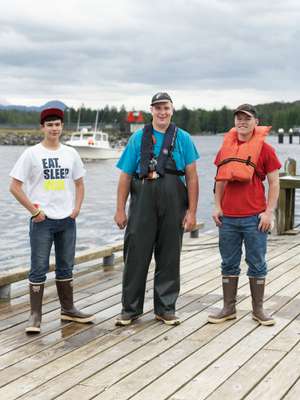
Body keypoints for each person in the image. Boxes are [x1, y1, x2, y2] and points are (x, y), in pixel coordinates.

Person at [114, 92, 199, 326]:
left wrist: (192, 212)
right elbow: (125, 176)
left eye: (166, 108)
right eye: (157, 108)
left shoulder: (183, 138)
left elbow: (191, 177)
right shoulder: (137, 139)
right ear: (151, 111)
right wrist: (120, 209)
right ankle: (130, 309)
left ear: (172, 110)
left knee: (170, 256)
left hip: (174, 203)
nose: (162, 112)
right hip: (142, 203)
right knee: (135, 256)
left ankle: (166, 308)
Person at [9, 107, 94, 334]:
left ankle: (68, 309)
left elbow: (79, 183)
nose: (54, 128)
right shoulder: (31, 154)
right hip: (42, 221)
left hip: (67, 220)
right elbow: (14, 187)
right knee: (38, 268)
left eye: (57, 124)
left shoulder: (71, 153)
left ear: (62, 127)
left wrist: (76, 208)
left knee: (66, 266)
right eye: (50, 125)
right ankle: (35, 316)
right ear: (42, 127)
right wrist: (34, 212)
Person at [208, 104, 281, 326]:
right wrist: (216, 206)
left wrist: (269, 212)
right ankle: (229, 308)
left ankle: (258, 310)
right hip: (228, 217)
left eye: (247, 118)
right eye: (238, 118)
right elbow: (219, 179)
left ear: (255, 122)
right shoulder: (225, 149)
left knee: (257, 262)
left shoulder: (265, 150)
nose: (242, 122)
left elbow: (274, 182)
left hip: (255, 218)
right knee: (228, 263)